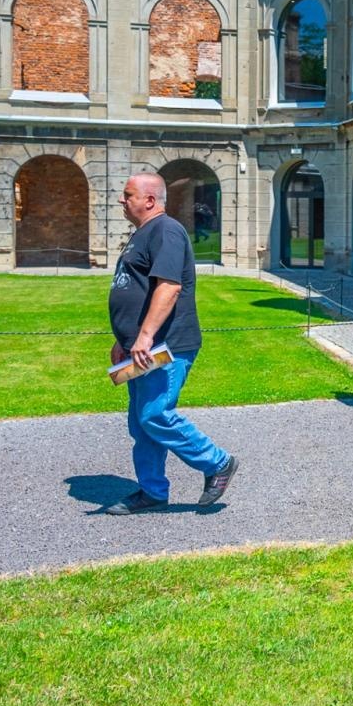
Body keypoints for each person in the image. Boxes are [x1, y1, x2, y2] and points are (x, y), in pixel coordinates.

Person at [103, 173, 237, 515]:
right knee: (140, 422)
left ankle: (217, 463)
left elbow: (168, 287)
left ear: (149, 200)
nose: (122, 200)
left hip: (167, 345)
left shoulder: (166, 230)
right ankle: (152, 490)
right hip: (142, 347)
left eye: (128, 194)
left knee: (155, 414)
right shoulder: (142, 235)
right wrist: (126, 340)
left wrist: (145, 336)